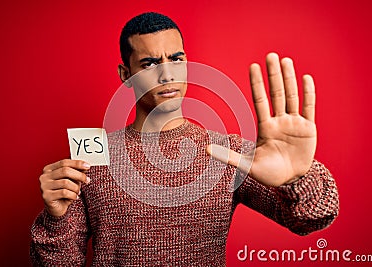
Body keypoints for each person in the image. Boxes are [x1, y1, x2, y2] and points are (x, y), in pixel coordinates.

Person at [30, 12, 339, 266]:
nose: (167, 74)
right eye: (149, 64)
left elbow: (311, 220)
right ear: (126, 75)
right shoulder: (93, 160)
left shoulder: (227, 154)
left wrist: (297, 178)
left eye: (176, 59)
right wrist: (56, 217)